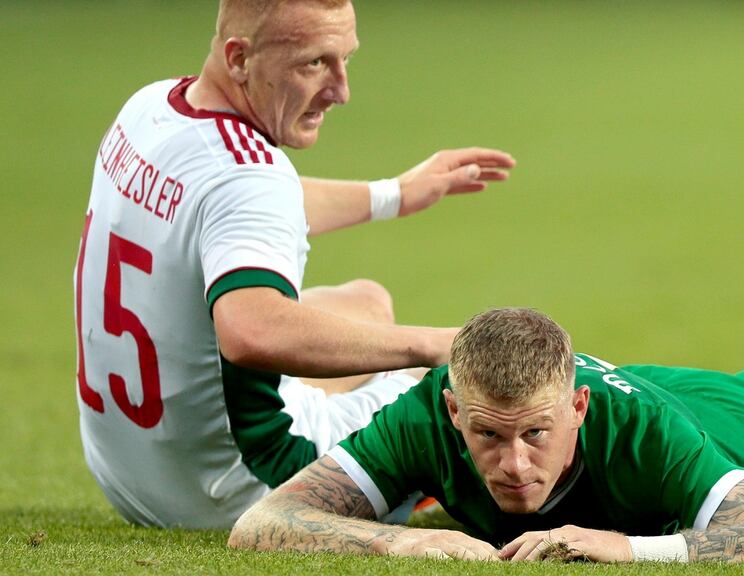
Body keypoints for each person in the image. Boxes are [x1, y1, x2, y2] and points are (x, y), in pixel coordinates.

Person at [73, 0, 515, 529]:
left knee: (367, 301)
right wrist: (434, 345)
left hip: (129, 467)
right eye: (315, 63)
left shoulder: (152, 109)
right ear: (239, 59)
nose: (340, 90)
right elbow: (252, 330)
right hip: (241, 488)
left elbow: (237, 210)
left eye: (346, 59)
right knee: (450, 388)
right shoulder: (249, 178)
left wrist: (394, 194)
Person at [227, 297, 744, 564]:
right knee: (742, 390)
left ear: (578, 409)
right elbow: (264, 523)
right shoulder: (425, 414)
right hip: (680, 387)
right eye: (488, 436)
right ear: (454, 412)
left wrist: (630, 548)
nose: (513, 464)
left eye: (534, 435)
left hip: (720, 436)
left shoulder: (642, 435)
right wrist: (404, 542)